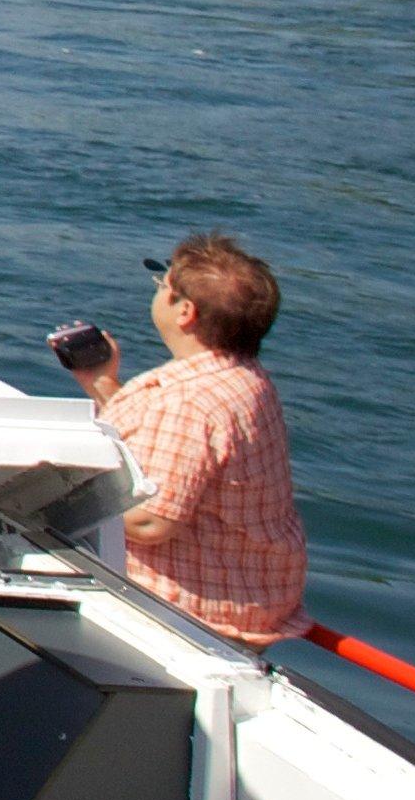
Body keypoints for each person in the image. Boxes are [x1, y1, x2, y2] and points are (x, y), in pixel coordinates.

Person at [55, 235, 311, 646]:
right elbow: (174, 450)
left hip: (192, 612)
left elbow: (148, 520)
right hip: (252, 593)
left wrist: (45, 507)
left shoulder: (187, 401)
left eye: (163, 286)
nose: (157, 291)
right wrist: (102, 383)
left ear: (186, 312)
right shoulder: (245, 379)